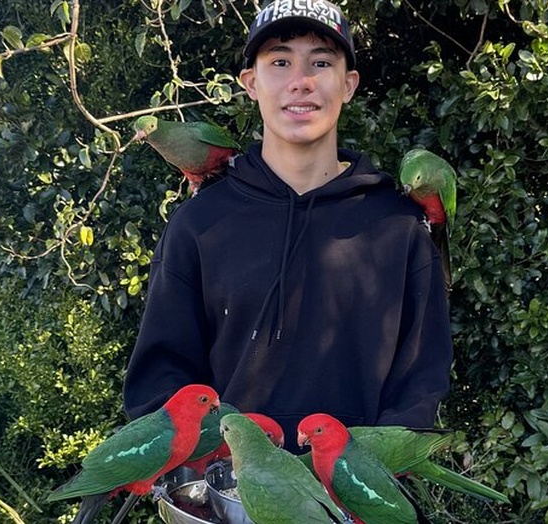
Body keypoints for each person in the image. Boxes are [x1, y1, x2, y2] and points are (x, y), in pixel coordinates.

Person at [123, 0, 453, 452]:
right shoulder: (199, 223)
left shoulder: (398, 226)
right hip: (226, 499)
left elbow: (420, 381)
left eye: (321, 63)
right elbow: (162, 382)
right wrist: (206, 475)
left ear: (349, 84)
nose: (301, 81)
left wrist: (370, 476)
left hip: (355, 503)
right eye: (280, 61)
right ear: (251, 83)